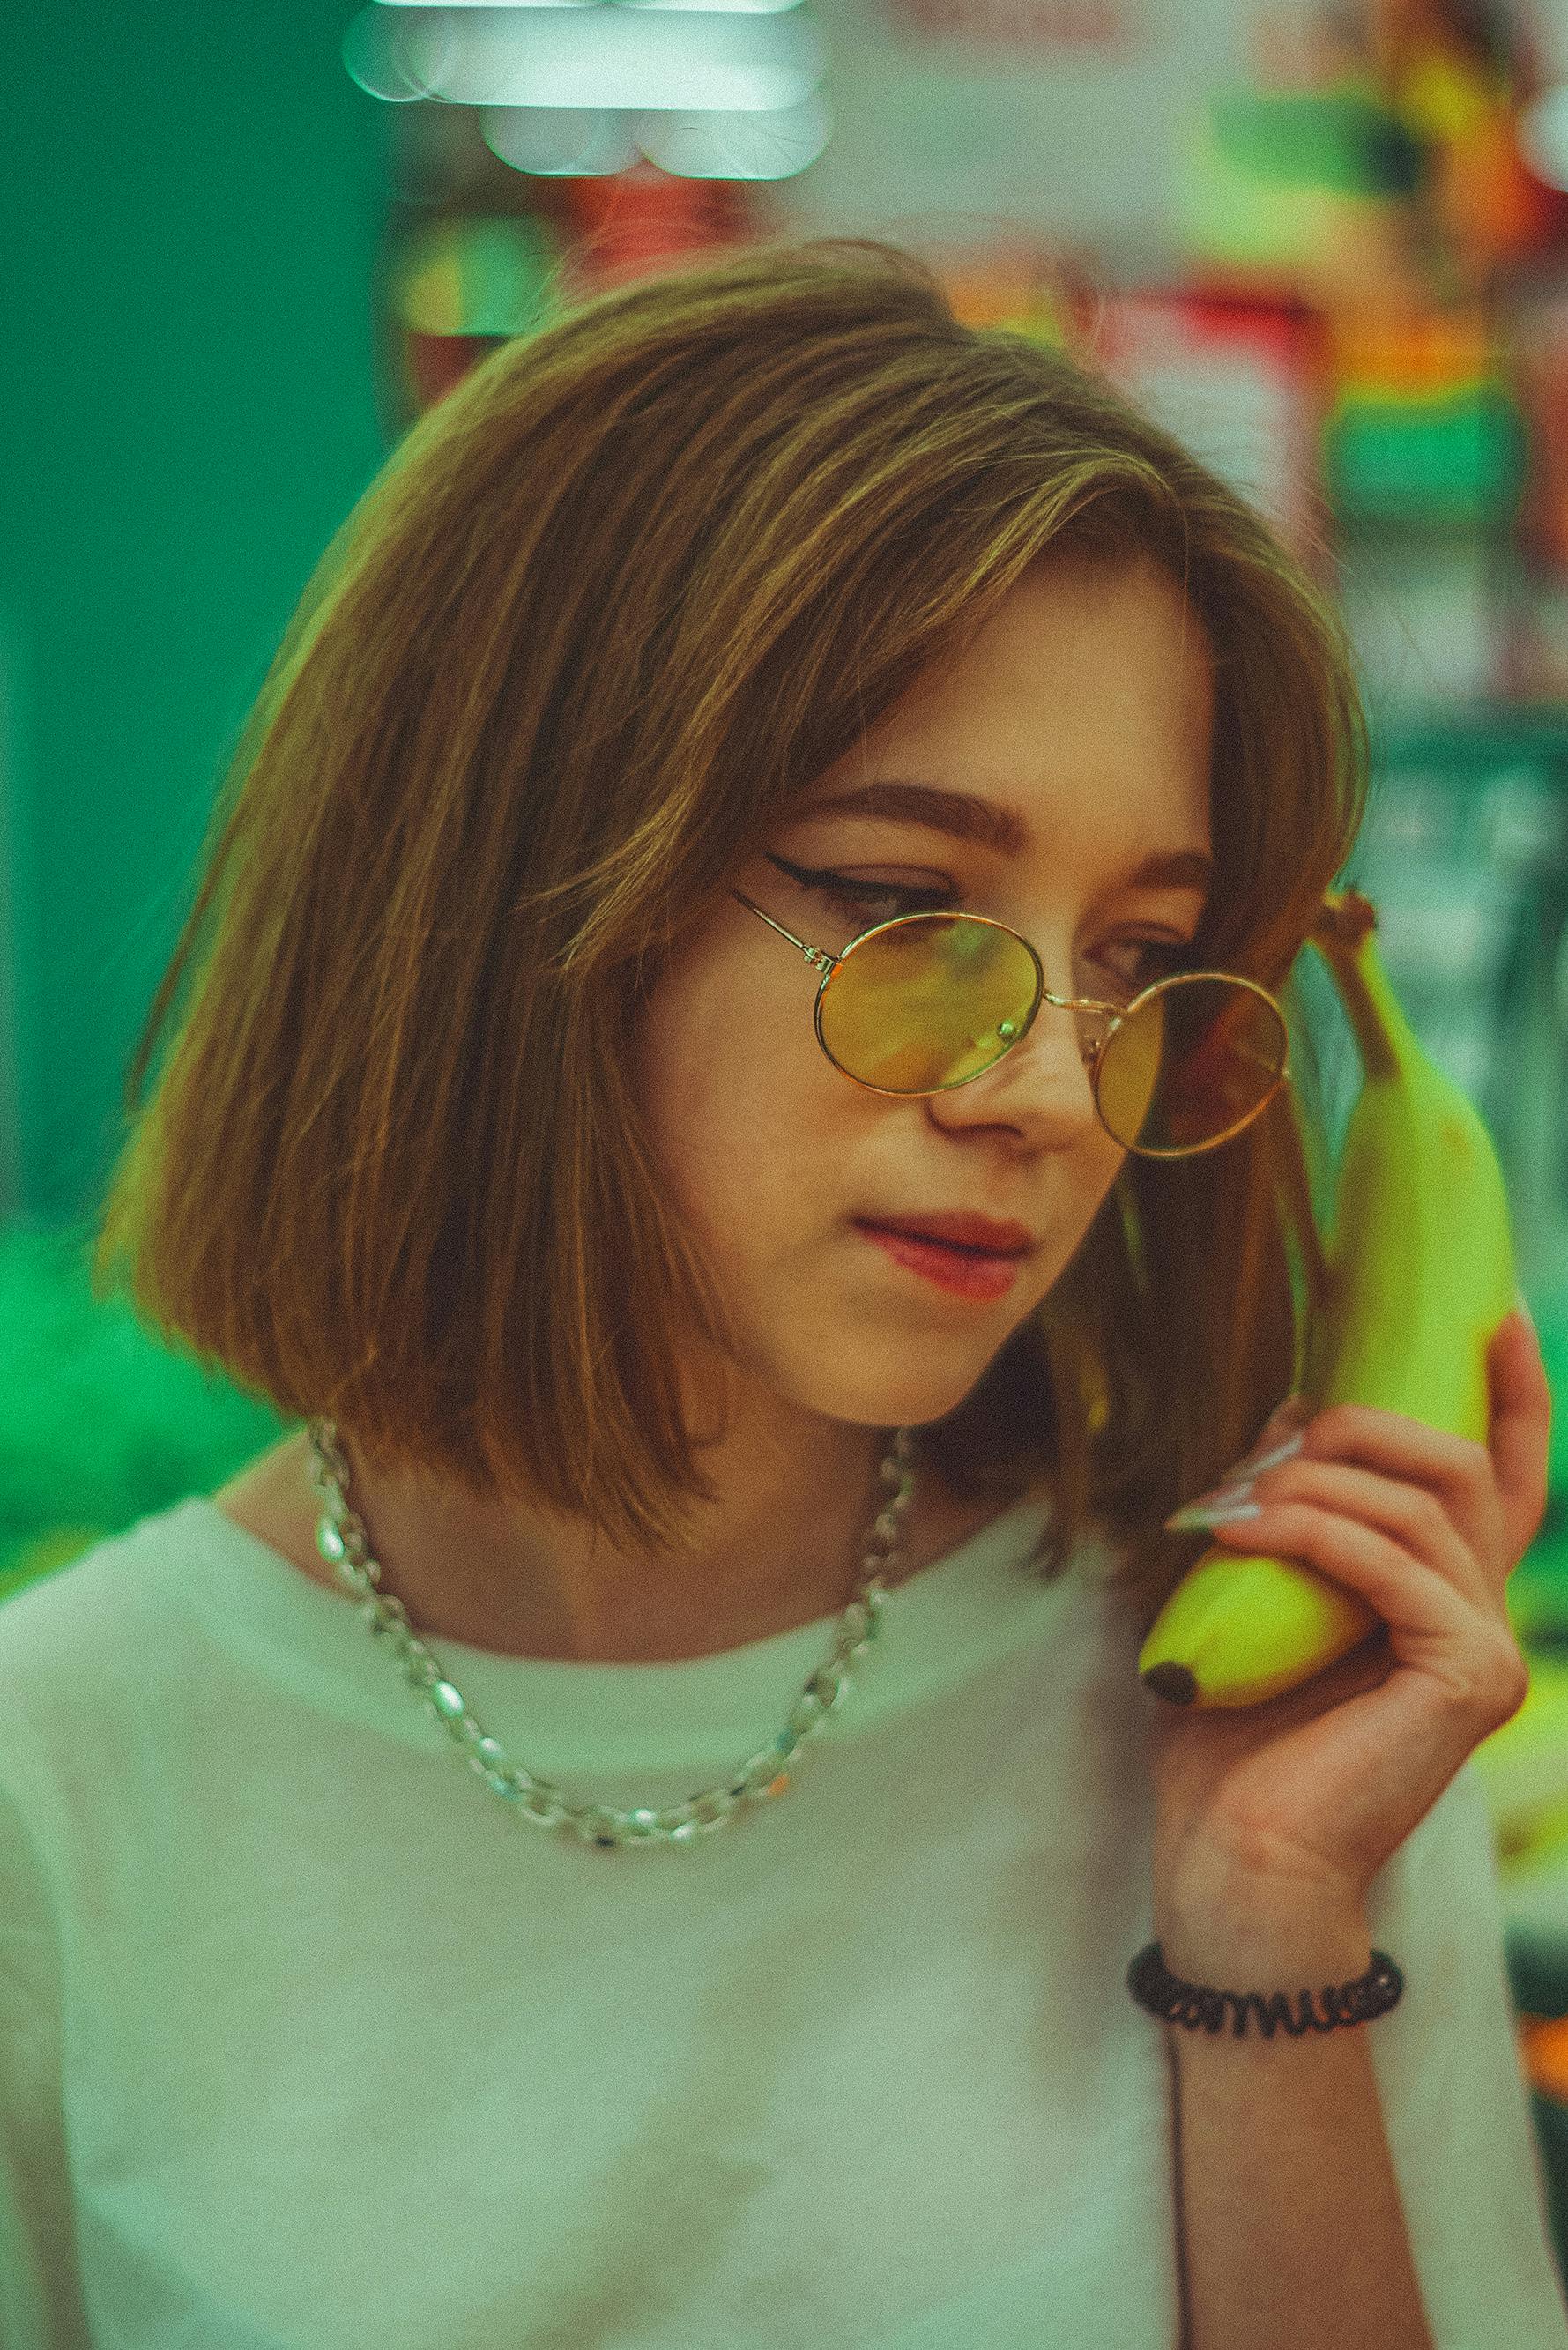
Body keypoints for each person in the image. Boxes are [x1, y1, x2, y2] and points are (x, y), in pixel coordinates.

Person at [1, 236, 1563, 2348]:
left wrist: (1262, 1927)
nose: (1043, 1090)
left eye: (1130, 955)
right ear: (502, 882)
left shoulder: (1268, 1723)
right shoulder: (62, 1775)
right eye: (899, 902)